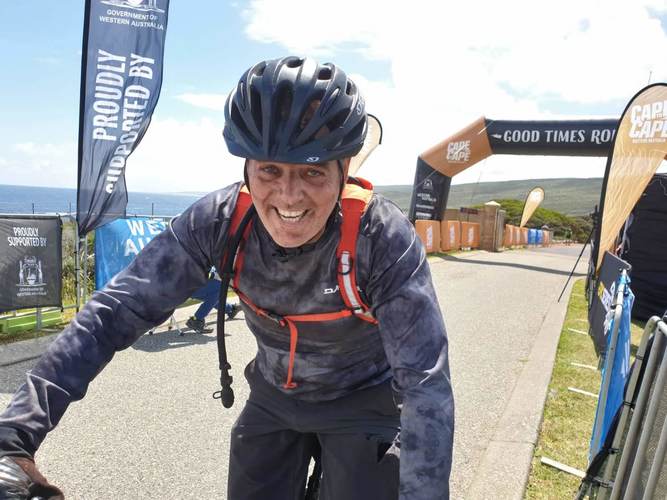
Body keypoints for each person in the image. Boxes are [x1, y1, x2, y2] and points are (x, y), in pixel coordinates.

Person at [0, 56, 454, 500]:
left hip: (363, 400)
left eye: (313, 171)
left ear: (345, 168)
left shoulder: (381, 237)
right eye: (269, 170)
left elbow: (425, 383)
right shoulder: (218, 221)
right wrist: (14, 436)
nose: (288, 196)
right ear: (246, 169)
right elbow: (112, 314)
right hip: (275, 396)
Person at [186, 269, 242, 334]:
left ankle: (230, 309)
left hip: (189, 283)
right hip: (186, 285)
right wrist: (214, 274)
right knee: (220, 287)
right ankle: (197, 320)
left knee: (213, 294)